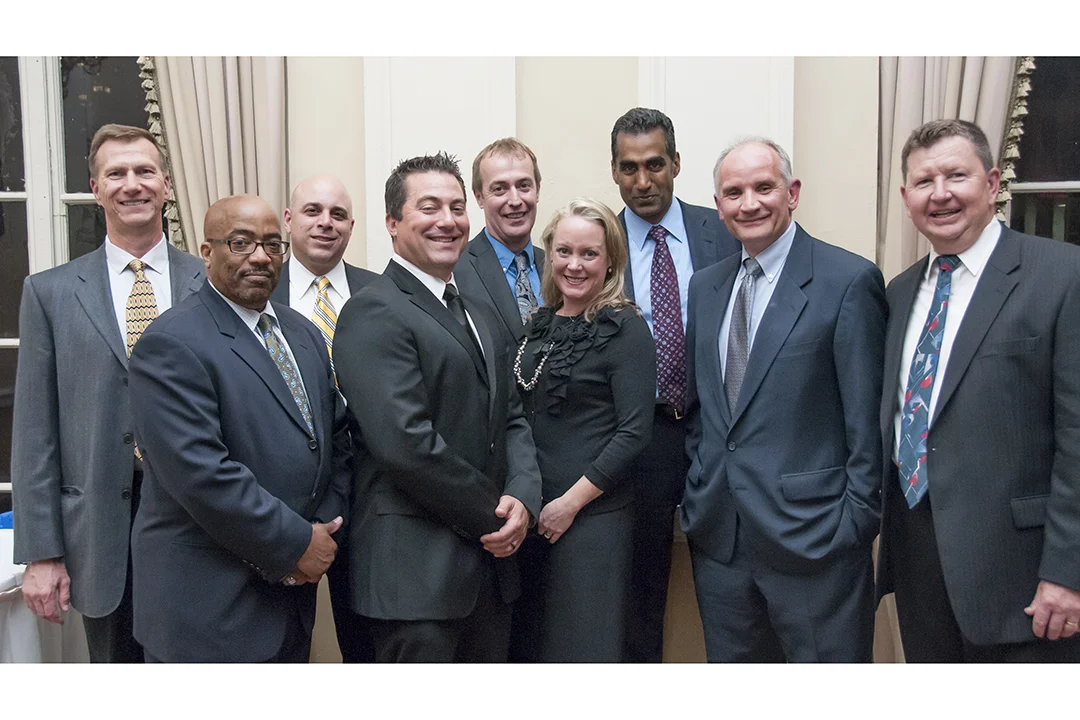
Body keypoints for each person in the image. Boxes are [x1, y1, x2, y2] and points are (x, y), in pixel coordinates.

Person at [877, 119, 1080, 662]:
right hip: (919, 563)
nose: (940, 194)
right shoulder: (899, 292)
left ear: (991, 184)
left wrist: (1068, 571)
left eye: (956, 176)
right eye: (924, 182)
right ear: (906, 197)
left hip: (1023, 574)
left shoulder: (1063, 275)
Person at [681, 137, 886, 662]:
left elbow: (868, 423)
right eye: (734, 193)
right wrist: (701, 487)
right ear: (718, 204)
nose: (749, 203)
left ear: (792, 193)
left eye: (763, 187)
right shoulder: (705, 287)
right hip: (722, 543)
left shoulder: (847, 281)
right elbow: (704, 410)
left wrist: (854, 524)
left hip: (817, 544)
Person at [333, 152, 542, 662]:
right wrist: (496, 515)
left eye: (456, 207)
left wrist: (524, 496)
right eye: (429, 208)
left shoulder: (476, 310)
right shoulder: (372, 310)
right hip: (415, 581)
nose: (447, 221)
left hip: (489, 575)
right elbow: (405, 443)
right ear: (392, 222)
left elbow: (511, 416)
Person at [126, 194, 351, 662]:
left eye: (272, 244)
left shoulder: (303, 334)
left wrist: (324, 532)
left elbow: (336, 442)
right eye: (241, 243)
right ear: (207, 253)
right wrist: (296, 544)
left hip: (291, 603)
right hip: (208, 612)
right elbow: (202, 475)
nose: (261, 257)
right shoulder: (170, 343)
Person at [11, 123, 205, 663]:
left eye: (145, 171)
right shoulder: (48, 293)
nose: (132, 184)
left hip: (202, 522)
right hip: (101, 530)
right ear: (96, 190)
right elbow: (35, 431)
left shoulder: (211, 281)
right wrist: (42, 553)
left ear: (166, 185)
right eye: (116, 174)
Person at [609, 107, 739, 662]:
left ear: (677, 163)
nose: (643, 181)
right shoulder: (599, 242)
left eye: (655, 164)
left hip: (718, 429)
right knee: (640, 594)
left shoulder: (725, 231)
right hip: (642, 439)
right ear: (614, 172)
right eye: (629, 168)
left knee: (736, 582)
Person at [510, 198, 655, 662]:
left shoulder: (625, 328)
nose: (574, 265)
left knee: (580, 651)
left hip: (591, 521)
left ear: (610, 260)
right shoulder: (540, 324)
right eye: (564, 251)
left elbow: (634, 432)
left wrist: (568, 505)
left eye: (589, 253)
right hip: (533, 520)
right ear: (549, 255)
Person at [271, 174, 378, 663]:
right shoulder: (257, 290)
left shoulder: (380, 293)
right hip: (285, 497)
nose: (325, 223)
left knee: (368, 644)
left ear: (352, 226)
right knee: (283, 644)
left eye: (338, 215)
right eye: (312, 211)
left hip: (370, 492)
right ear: (289, 219)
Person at [454, 138, 545, 350]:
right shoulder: (457, 272)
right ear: (479, 198)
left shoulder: (558, 267)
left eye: (524, 186)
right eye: (499, 189)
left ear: (537, 190)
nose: (515, 200)